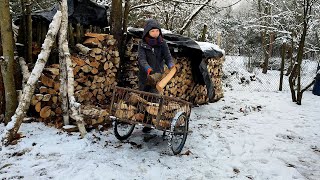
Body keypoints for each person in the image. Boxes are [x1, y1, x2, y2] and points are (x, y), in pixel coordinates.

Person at [138, 19, 174, 133]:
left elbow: (168, 57)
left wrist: (171, 65)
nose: (155, 33)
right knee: (143, 98)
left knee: (154, 98)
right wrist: (147, 68)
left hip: (157, 76)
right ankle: (144, 120)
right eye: (152, 31)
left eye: (157, 31)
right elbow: (142, 59)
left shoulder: (162, 43)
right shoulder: (142, 44)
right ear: (147, 32)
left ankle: (151, 122)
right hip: (145, 76)